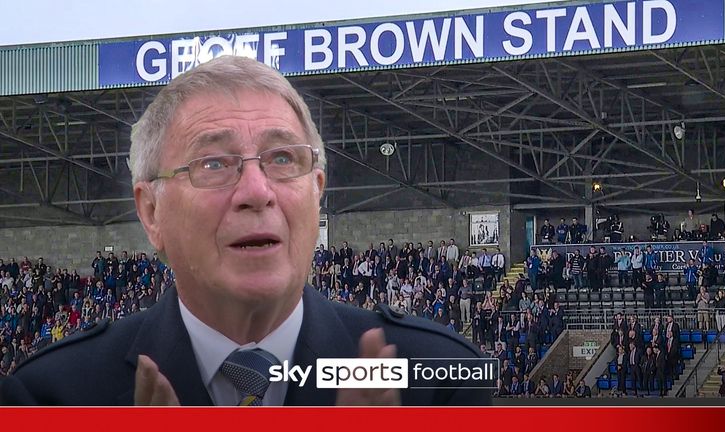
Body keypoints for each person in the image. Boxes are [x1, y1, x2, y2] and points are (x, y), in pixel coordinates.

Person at [0, 57, 488, 406]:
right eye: (213, 163)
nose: (257, 191)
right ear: (151, 212)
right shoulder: (52, 396)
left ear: (317, 191)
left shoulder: (435, 380)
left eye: (282, 158)